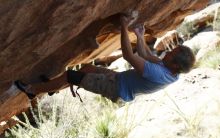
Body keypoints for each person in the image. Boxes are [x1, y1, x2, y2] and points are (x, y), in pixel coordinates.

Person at [15, 15, 195, 103]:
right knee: (87, 69)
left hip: (115, 87)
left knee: (71, 75)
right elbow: (146, 55)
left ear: (176, 64)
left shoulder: (159, 74)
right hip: (119, 80)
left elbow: (129, 56)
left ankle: (32, 90)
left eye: (173, 53)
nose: (168, 52)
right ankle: (53, 87)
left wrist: (124, 26)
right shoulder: (171, 70)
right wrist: (139, 35)